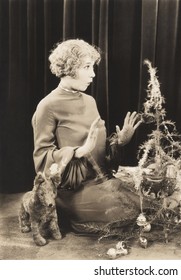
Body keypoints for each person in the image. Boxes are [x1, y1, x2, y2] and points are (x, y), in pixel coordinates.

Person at [32, 39, 143, 233]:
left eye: (92, 67)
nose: (93, 74)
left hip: (103, 182)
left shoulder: (90, 101)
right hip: (72, 191)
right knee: (125, 211)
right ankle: (69, 214)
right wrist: (76, 152)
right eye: (87, 67)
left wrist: (120, 142)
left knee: (146, 200)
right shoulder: (47, 106)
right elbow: (42, 159)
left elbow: (99, 152)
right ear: (69, 67)